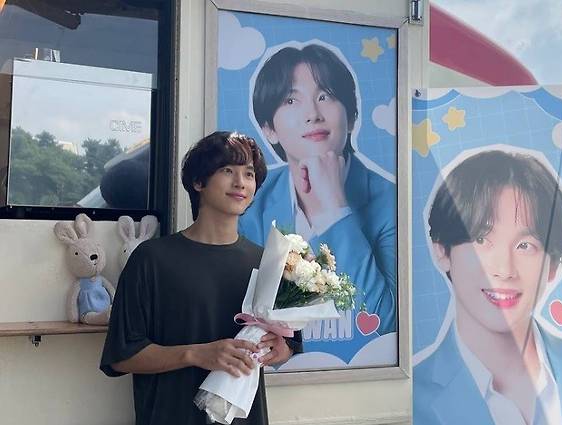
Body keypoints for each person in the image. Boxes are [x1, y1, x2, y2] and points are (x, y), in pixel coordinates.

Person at [100, 131, 302, 425]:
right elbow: (121, 356)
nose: (240, 182)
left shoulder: (268, 263)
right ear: (198, 182)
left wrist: (278, 350)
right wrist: (196, 354)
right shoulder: (151, 259)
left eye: (249, 174)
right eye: (227, 170)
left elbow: (287, 347)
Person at [414, 149, 562, 425]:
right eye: (481, 240)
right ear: (443, 251)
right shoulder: (414, 395)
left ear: (554, 265)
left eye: (525, 245)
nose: (504, 270)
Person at [239, 43, 397, 335]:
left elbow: (384, 324)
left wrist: (334, 210)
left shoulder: (392, 202)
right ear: (268, 129)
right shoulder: (251, 202)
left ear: (351, 117)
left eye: (325, 96)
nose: (312, 114)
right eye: (290, 100)